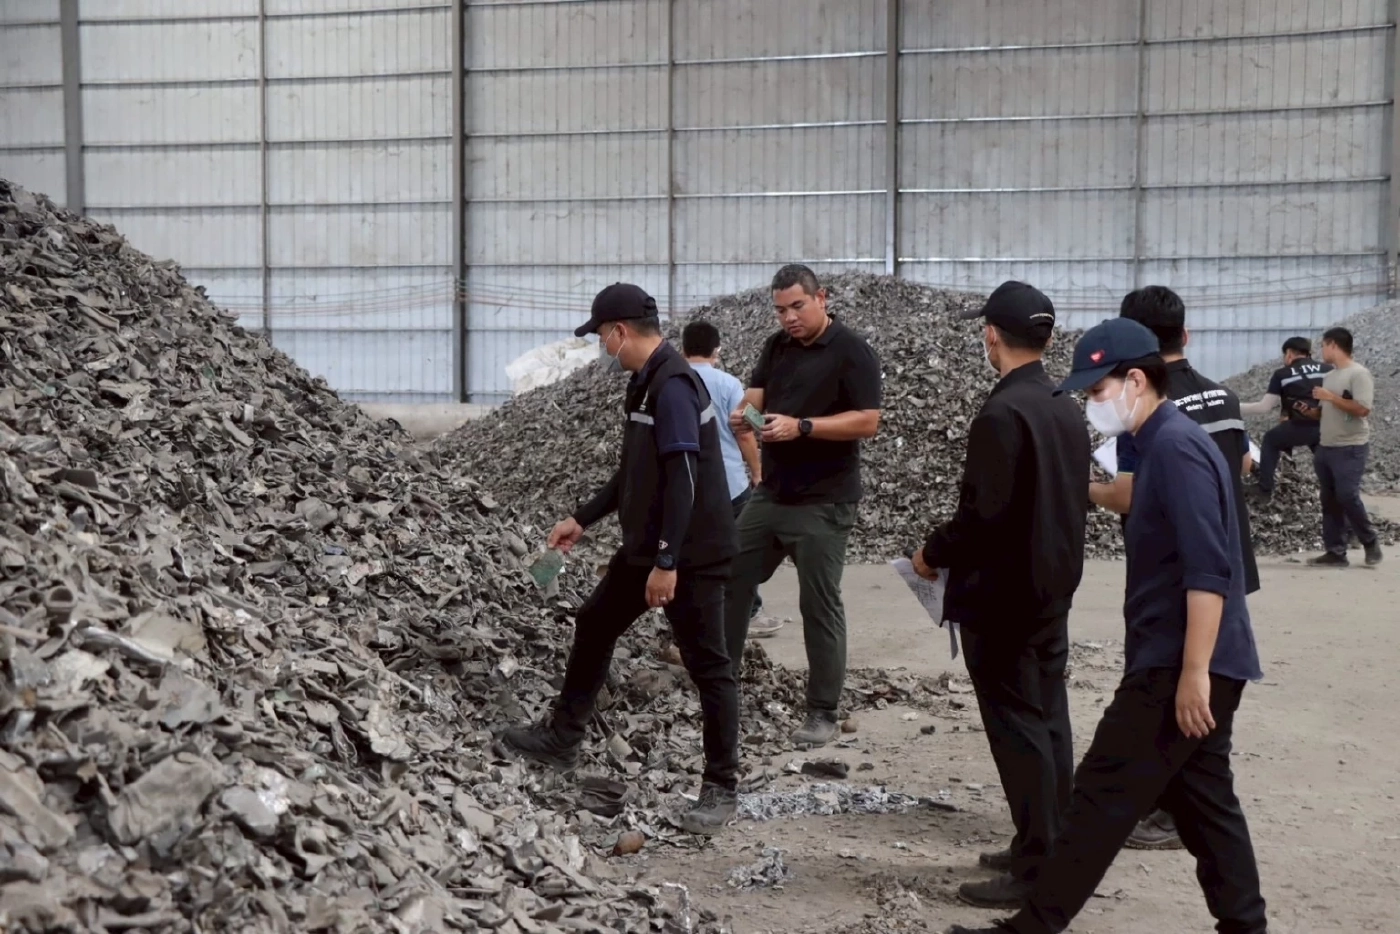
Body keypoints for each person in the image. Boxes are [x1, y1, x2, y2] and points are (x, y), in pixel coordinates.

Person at [950, 317, 1268, 934]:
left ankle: (1031, 927)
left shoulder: (1175, 447)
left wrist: (1194, 673)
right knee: (1203, 799)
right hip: (1189, 656)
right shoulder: (1162, 443)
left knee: (1099, 792)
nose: (1091, 404)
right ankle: (1245, 926)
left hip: (1180, 660)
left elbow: (1210, 570)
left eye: (1098, 392)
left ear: (1137, 380)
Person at [498, 283, 741, 834]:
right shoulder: (646, 383)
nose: (602, 347)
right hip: (650, 546)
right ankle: (563, 738)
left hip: (689, 553)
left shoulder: (675, 387)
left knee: (709, 665)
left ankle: (722, 786)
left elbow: (683, 478)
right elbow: (638, 472)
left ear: (620, 331)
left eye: (602, 336)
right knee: (596, 621)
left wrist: (668, 561)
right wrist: (583, 518)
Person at [912, 282, 1090, 909]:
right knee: (1050, 717)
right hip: (1052, 588)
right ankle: (1049, 839)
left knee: (1018, 727)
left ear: (992, 335)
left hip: (1006, 596)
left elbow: (982, 517)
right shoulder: (1064, 402)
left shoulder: (1001, 414)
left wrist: (932, 552)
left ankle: (1038, 865)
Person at [1087, 286, 1261, 852]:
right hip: (1229, 560)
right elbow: (1242, 465)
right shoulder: (1223, 399)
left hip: (1180, 571)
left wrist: (1083, 490)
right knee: (1212, 694)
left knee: (1172, 686)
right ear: (1185, 335)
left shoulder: (1150, 412)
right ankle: (1190, 799)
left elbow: (1133, 495)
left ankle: (1162, 807)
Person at [722, 264, 883, 748]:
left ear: (822, 298)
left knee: (818, 603)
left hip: (824, 502)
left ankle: (823, 710)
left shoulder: (853, 352)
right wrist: (745, 417)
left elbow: (868, 421)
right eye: (780, 310)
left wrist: (803, 427)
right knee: (728, 576)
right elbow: (754, 398)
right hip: (772, 494)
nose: (788, 318)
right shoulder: (778, 347)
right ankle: (720, 681)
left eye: (796, 306)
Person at [681, 320, 783, 637]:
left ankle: (692, 611)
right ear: (717, 351)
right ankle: (749, 613)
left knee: (692, 549)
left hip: (683, 485)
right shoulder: (728, 384)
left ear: (682, 349)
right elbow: (747, 430)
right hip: (729, 485)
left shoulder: (670, 380)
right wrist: (757, 472)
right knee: (740, 551)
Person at [1308, 326, 1382, 567]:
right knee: (1329, 500)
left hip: (1350, 447)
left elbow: (1362, 409)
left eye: (1323, 345)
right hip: (1326, 446)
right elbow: (1327, 411)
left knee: (1347, 495)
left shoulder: (1358, 374)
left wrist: (1330, 398)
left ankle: (1370, 542)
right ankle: (1336, 552)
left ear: (1333, 345)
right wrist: (1310, 411)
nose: (1321, 350)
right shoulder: (1330, 376)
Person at [1240, 336, 1331, 502]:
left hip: (1301, 426)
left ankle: (1264, 489)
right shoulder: (1327, 369)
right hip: (1328, 426)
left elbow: (1264, 407)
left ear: (1289, 354)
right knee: (1325, 462)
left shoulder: (1282, 374)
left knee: (1271, 439)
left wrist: (1231, 406)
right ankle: (1337, 498)